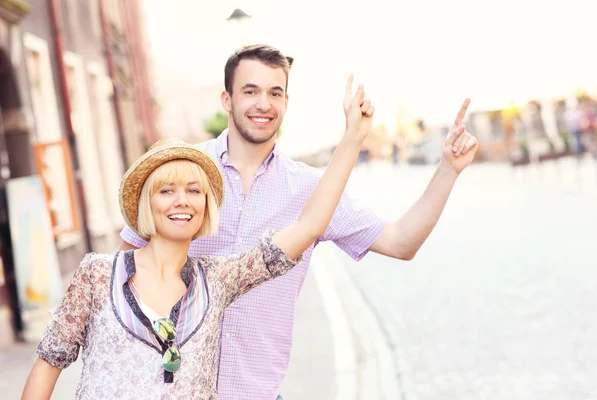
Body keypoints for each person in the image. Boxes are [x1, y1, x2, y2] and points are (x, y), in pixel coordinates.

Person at [120, 44, 478, 400]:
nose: (264, 104)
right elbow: (124, 273)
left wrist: (448, 170)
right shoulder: (183, 171)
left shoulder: (312, 191)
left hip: (256, 393)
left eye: (275, 93)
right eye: (250, 91)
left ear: (286, 103)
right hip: (168, 391)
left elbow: (401, 241)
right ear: (227, 100)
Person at [20, 77, 375, 399]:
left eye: (194, 191)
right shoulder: (98, 275)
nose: (182, 201)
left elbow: (309, 226)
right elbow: (48, 364)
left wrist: (352, 140)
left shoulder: (218, 280)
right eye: (166, 191)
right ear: (147, 203)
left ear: (206, 207)